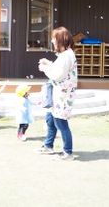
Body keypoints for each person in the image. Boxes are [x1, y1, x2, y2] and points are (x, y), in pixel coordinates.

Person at [37, 26, 78, 161]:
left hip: (62, 95)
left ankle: (68, 152)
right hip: (59, 94)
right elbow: (59, 69)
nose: (52, 41)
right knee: (50, 119)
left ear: (61, 40)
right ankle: (48, 146)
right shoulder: (66, 54)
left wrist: (44, 68)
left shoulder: (66, 55)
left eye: (54, 38)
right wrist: (48, 63)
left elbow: (58, 75)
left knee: (60, 122)